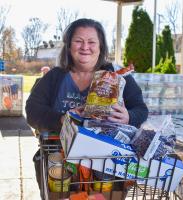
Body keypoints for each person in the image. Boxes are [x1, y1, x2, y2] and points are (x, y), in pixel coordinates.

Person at [25, 18, 148, 198]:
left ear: (100, 47)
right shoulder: (55, 77)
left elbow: (141, 109)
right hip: (60, 163)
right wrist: (62, 119)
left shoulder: (117, 76)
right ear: (69, 46)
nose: (85, 47)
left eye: (91, 42)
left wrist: (129, 117)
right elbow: (32, 112)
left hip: (107, 163)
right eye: (78, 41)